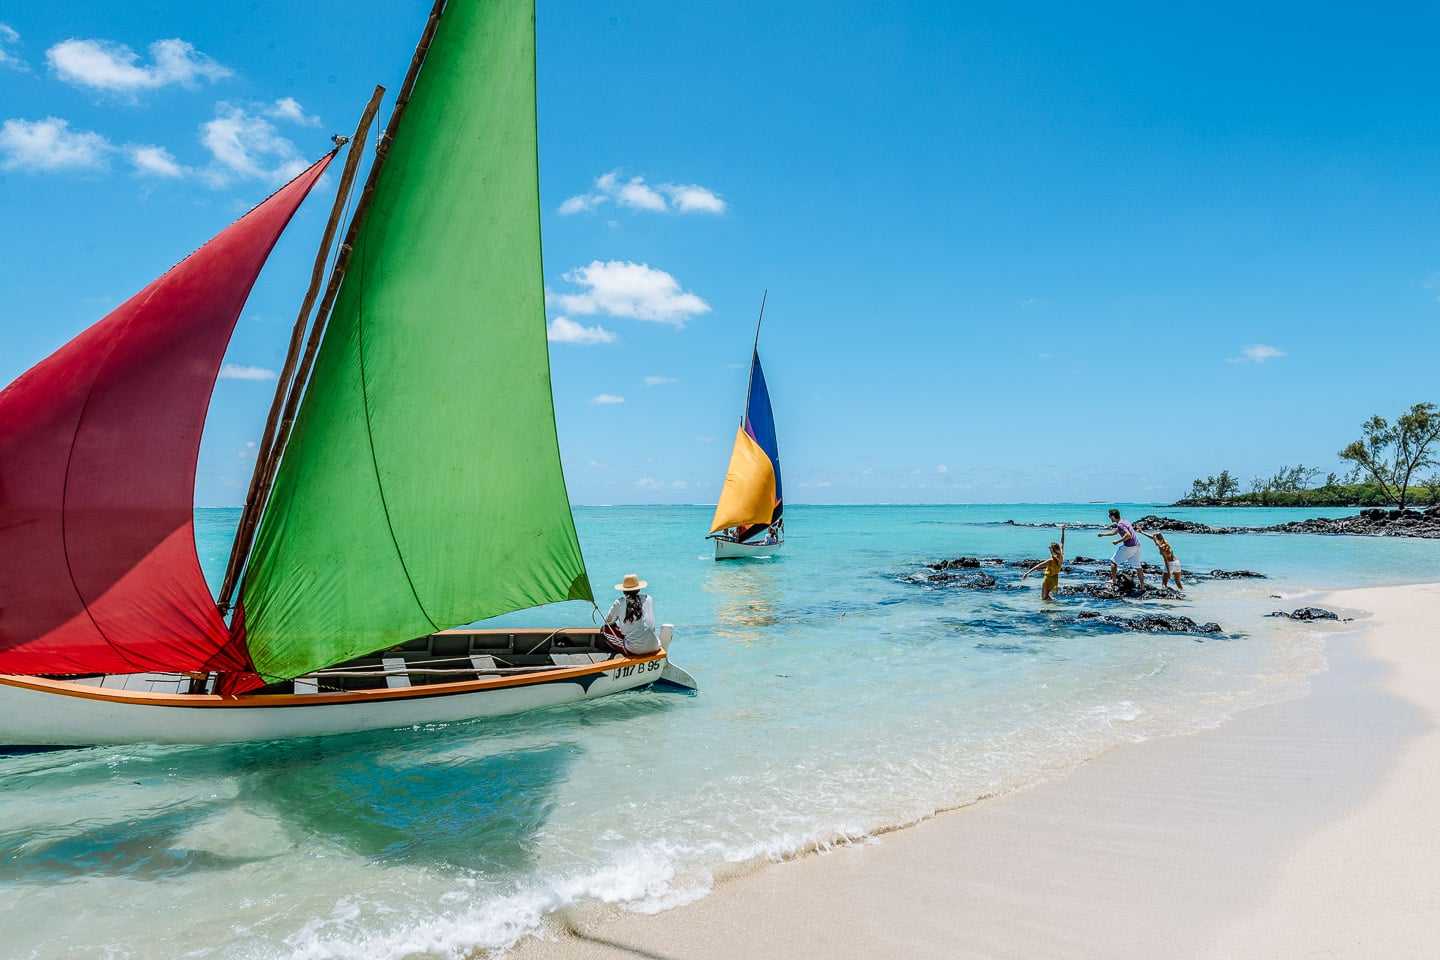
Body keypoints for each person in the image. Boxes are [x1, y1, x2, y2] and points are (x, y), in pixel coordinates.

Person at [602, 573, 660, 655]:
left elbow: (607, 622)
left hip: (635, 650)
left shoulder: (619, 602)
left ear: (623, 590)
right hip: (655, 646)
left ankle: (623, 652)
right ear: (639, 589)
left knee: (605, 629)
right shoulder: (649, 598)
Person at [1097, 508, 1144, 588]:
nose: (1109, 517)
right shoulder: (1125, 521)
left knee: (1113, 562)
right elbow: (1114, 532)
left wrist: (1118, 541)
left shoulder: (1120, 524)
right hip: (1137, 546)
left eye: (1109, 516)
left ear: (1113, 516)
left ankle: (1114, 581)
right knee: (1138, 567)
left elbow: (1128, 535)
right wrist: (1103, 534)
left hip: (1129, 546)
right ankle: (1142, 586)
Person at [1021, 523, 1066, 600]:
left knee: (1043, 598)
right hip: (1055, 579)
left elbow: (1038, 566)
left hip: (1048, 579)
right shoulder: (1061, 554)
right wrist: (1062, 530)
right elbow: (1062, 542)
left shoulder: (1051, 560)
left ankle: (1051, 608)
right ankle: (1054, 608)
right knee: (1047, 596)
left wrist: (1027, 573)